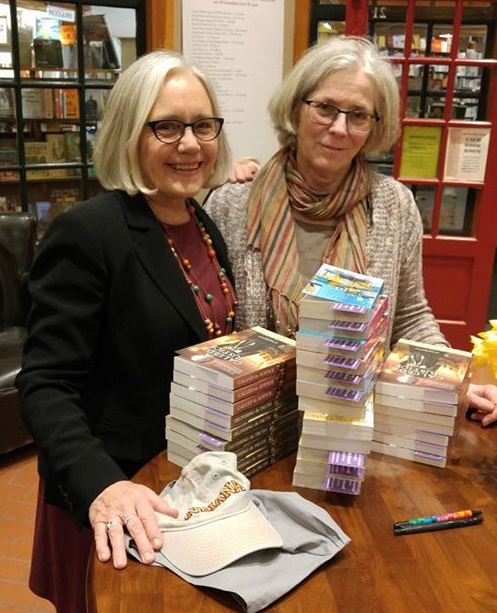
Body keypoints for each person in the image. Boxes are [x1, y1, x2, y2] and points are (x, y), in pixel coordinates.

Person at [16, 49, 245, 613]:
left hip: (182, 482)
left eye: (202, 125)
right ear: (128, 132)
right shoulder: (88, 232)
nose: (189, 144)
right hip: (117, 491)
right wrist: (103, 485)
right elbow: (45, 384)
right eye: (165, 126)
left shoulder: (200, 218)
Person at [203, 35, 497, 425]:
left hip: (351, 427)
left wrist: (454, 379)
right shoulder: (233, 203)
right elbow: (210, 323)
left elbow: (410, 316)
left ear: (375, 125)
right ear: (296, 107)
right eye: (325, 107)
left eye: (358, 115)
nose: (339, 128)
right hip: (254, 424)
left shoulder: (395, 205)